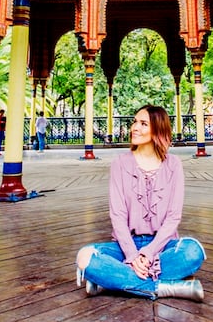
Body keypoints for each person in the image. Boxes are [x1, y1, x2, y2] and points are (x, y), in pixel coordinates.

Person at [75, 104, 205, 302]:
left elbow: (173, 217)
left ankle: (111, 281)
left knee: (194, 251)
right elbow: (117, 216)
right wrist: (133, 256)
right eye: (135, 122)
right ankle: (169, 287)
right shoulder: (120, 163)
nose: (135, 127)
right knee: (85, 257)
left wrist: (149, 253)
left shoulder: (174, 164)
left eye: (143, 124)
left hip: (163, 246)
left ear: (158, 130)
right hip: (125, 244)